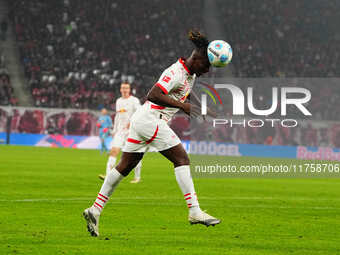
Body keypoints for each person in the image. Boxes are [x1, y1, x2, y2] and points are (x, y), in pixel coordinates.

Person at [83, 30, 220, 237]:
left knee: (125, 166)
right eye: (206, 65)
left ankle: (95, 209)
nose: (208, 70)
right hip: (151, 119)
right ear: (197, 58)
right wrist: (182, 107)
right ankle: (194, 211)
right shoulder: (175, 72)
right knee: (182, 158)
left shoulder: (190, 74)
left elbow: (186, 92)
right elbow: (153, 94)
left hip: (142, 121)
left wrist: (200, 108)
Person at [98, 82, 143, 183]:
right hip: (120, 132)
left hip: (132, 132)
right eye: (123, 88)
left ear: (129, 90)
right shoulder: (118, 101)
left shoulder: (134, 100)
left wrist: (131, 122)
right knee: (114, 151)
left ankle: (137, 177)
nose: (124, 90)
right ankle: (108, 176)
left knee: (135, 154)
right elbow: (118, 116)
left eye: (126, 88)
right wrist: (114, 130)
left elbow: (140, 112)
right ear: (120, 89)